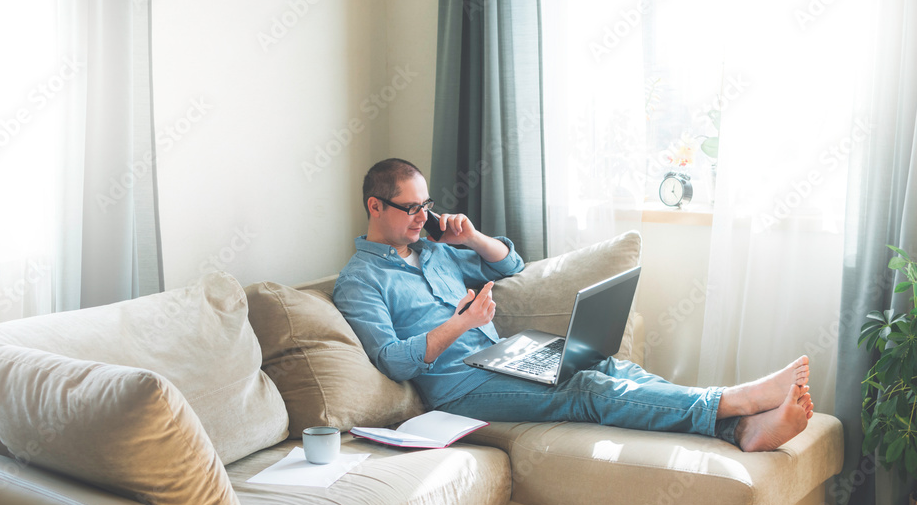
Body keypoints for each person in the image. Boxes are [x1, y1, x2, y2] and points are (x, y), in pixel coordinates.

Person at [333, 158, 814, 452]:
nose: (423, 217)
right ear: (376, 207)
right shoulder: (360, 281)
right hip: (457, 387)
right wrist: (462, 325)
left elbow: (511, 267)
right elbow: (391, 359)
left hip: (503, 359)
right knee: (586, 388)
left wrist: (474, 237)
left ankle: (739, 432)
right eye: (411, 208)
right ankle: (734, 401)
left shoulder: (435, 251)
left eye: (426, 205)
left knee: (601, 360)